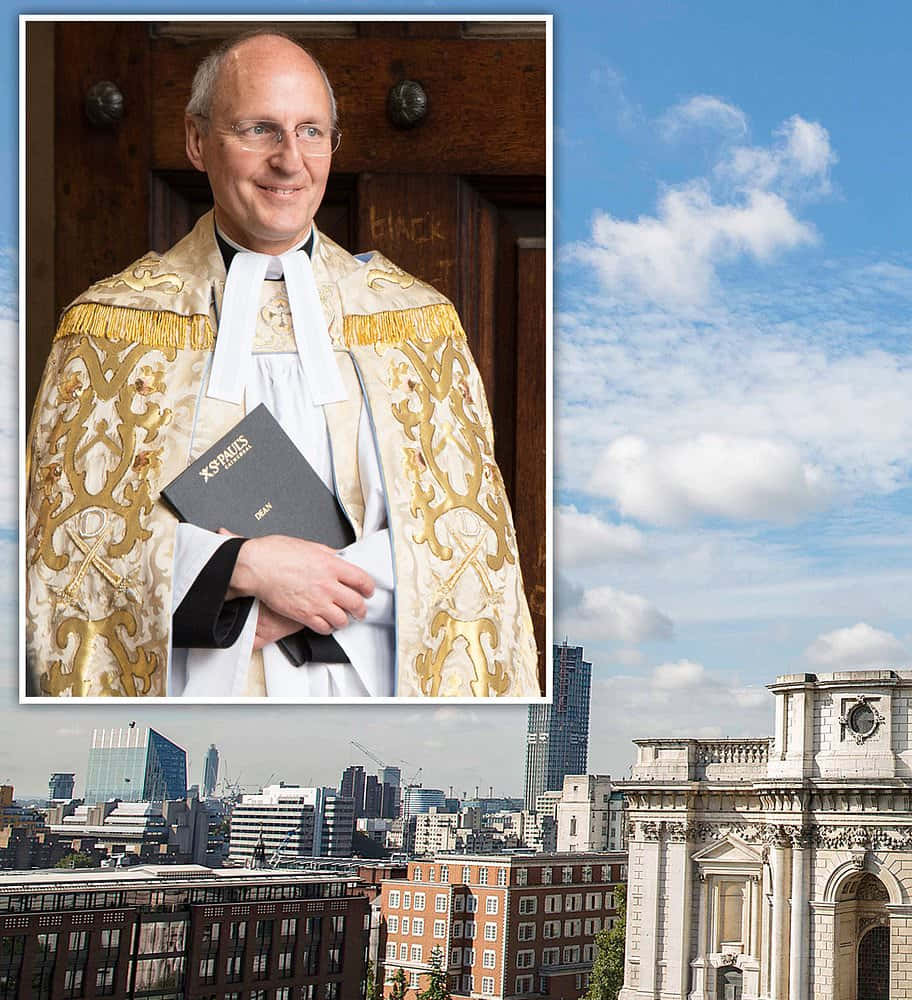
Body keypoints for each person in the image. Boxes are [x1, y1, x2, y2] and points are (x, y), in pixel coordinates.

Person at [24, 30, 538, 697]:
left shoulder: (417, 323)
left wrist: (315, 592)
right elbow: (62, 558)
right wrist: (237, 572)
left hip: (367, 688)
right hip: (198, 689)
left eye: (311, 132)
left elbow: (472, 553)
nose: (289, 161)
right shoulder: (109, 327)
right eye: (259, 128)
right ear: (196, 140)